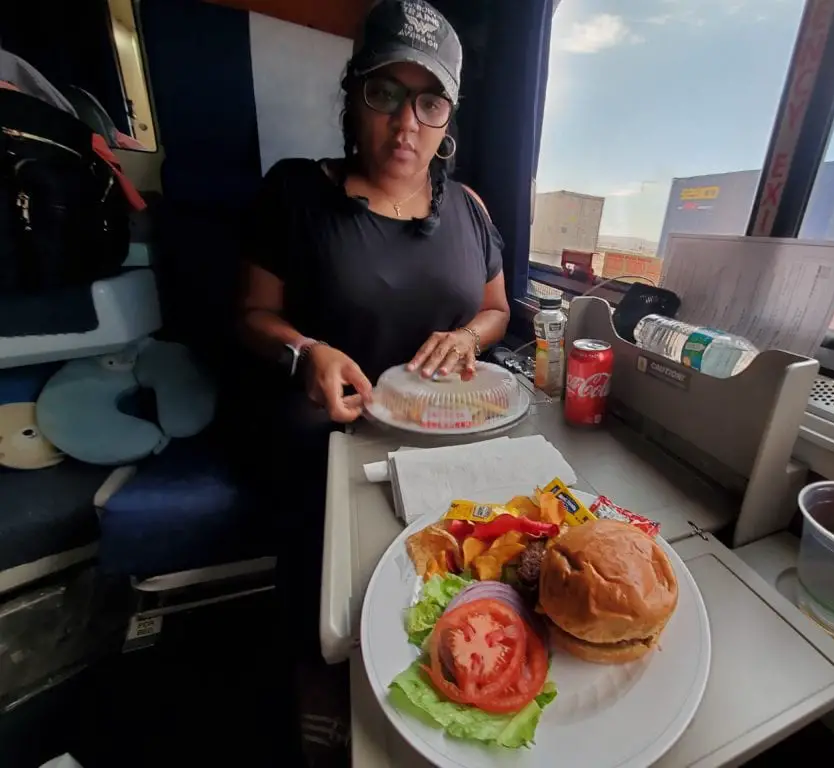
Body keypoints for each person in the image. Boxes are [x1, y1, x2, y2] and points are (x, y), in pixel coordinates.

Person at [236, 0, 509, 763]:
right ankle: (323, 685)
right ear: (353, 97)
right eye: (385, 93)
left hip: (448, 429)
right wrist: (306, 352)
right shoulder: (295, 193)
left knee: (476, 563)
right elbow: (252, 315)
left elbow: (496, 311)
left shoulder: (472, 207)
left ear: (448, 115)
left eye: (429, 101)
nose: (406, 124)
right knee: (340, 601)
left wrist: (466, 337)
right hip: (333, 429)